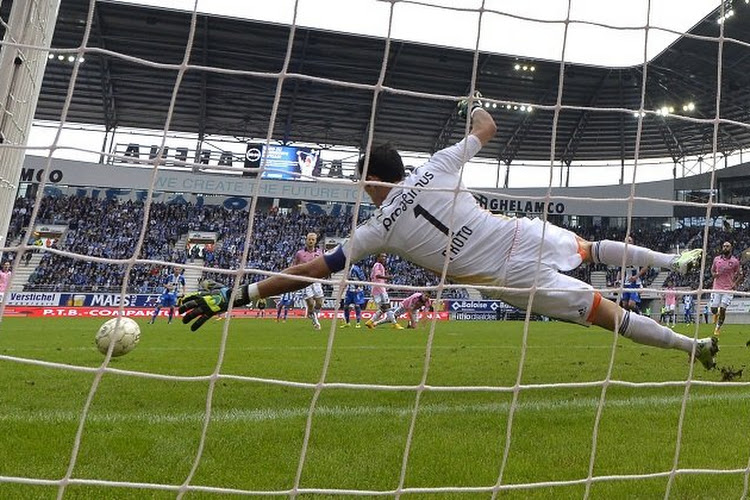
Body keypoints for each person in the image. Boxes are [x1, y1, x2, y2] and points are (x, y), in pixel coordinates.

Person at [180, 103, 718, 370]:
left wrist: (234, 295)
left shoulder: (375, 229)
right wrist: (474, 104)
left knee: (609, 316)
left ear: (370, 178)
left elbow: (313, 270)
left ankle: (692, 348)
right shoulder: (438, 164)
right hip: (519, 233)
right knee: (589, 248)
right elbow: (486, 127)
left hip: (511, 278)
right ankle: (673, 266)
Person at [709, 241, 742, 336]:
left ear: (731, 248)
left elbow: (740, 275)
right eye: (724, 246)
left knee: (723, 309)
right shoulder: (716, 259)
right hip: (717, 288)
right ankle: (716, 313)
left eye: (727, 246)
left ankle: (717, 328)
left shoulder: (735, 261)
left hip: (728, 289)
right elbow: (712, 270)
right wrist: (714, 274)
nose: (725, 248)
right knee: (713, 309)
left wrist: (735, 284)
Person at [293, 232, 324, 330]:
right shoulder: (300, 254)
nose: (310, 241)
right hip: (305, 281)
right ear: (306, 240)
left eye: (312, 240)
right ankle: (315, 321)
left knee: (319, 303)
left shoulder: (319, 253)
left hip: (316, 280)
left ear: (315, 241)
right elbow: (295, 266)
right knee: (310, 303)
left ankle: (313, 315)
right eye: (309, 239)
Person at [365, 253, 403, 330]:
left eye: (385, 256)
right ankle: (394, 323)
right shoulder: (378, 265)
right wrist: (387, 277)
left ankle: (370, 321)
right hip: (379, 289)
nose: (384, 258)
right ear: (378, 257)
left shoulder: (379, 265)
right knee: (387, 307)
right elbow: (377, 276)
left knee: (383, 308)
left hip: (378, 289)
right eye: (382, 256)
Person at [619, 239, 648, 314]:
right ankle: (629, 320)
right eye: (626, 241)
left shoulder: (637, 255)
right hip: (626, 283)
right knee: (625, 305)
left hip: (635, 283)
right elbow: (620, 269)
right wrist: (618, 280)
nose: (627, 243)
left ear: (632, 243)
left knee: (631, 304)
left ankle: (639, 312)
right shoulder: (622, 256)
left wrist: (636, 276)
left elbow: (646, 266)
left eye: (629, 241)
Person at [340, 262, 367, 328]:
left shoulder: (356, 269)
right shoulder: (347, 270)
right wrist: (340, 293)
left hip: (357, 291)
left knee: (357, 306)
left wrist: (359, 287)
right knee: (346, 306)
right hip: (349, 291)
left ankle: (358, 323)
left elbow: (363, 279)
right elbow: (345, 282)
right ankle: (347, 323)